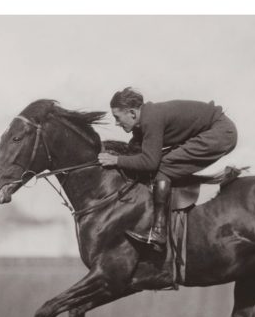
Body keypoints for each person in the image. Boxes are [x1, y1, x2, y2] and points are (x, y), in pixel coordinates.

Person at [98, 87, 237, 251]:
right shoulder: (143, 122)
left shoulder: (151, 119)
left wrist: (116, 160)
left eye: (117, 117)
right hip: (215, 130)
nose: (117, 123)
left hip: (220, 133)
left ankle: (159, 231)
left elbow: (149, 163)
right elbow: (134, 150)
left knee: (162, 167)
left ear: (132, 113)